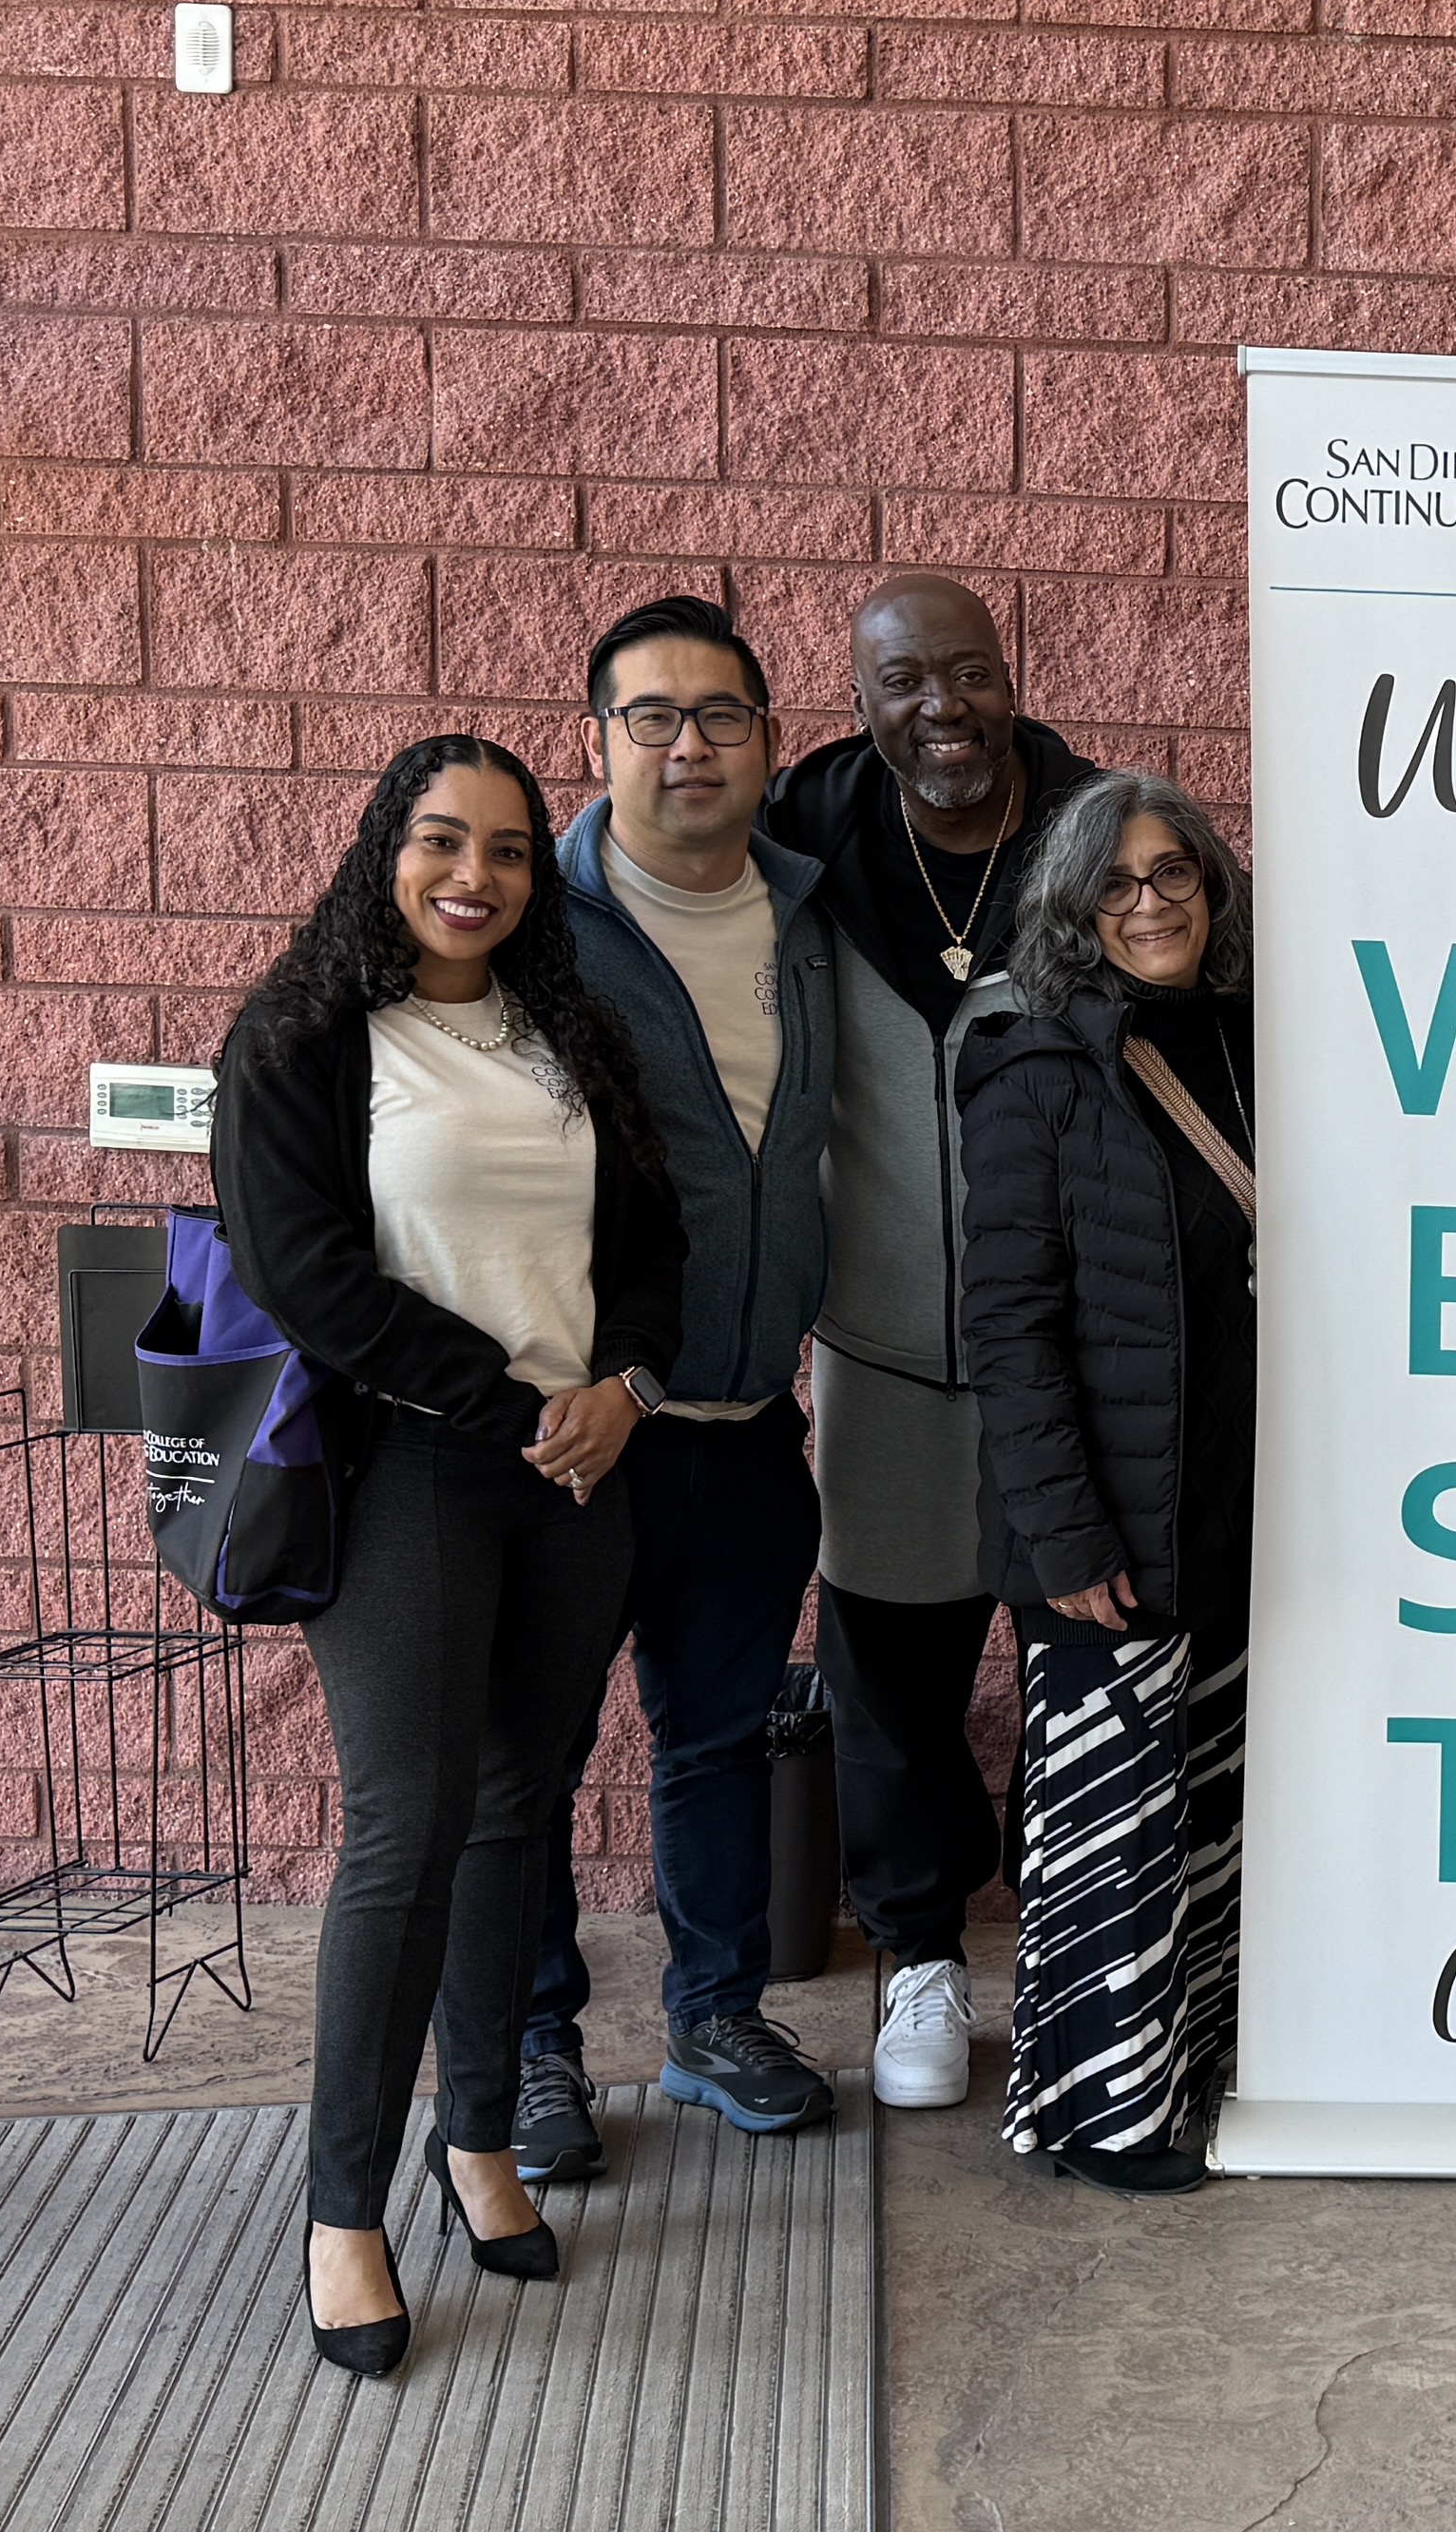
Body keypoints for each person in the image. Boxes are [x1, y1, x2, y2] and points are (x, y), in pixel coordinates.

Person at [212, 738, 680, 2375]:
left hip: (574, 1472)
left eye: (500, 847)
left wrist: (619, 1385)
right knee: (404, 1832)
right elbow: (303, 1274)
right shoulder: (301, 1039)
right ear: (383, 850)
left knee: (515, 1813)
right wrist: (513, 1399)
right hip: (408, 1465)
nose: (470, 874)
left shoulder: (568, 1033)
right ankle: (345, 2211)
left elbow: (652, 1247)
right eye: (438, 841)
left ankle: (476, 2134)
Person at [500, 597, 847, 2175]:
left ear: (772, 744)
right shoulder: (530, 927)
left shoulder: (811, 912)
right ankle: (529, 2046)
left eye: (722, 716)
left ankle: (716, 2015)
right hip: (576, 1432)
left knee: (714, 1737)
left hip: (748, 1427)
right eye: (652, 716)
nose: (689, 743)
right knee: (541, 1749)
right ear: (598, 743)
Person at [765, 574, 1101, 2111]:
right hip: (887, 1353)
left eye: (969, 673)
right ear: (862, 699)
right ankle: (915, 1954)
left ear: (1009, 674)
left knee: (1083, 1665)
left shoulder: (1097, 841)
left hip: (1073, 1355)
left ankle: (1077, 1949)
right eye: (905, 683)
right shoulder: (807, 840)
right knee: (889, 1675)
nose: (944, 710)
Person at [955, 775, 1259, 2192]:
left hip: (1244, 1508)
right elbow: (1005, 1334)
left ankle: (1193, 2075)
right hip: (1107, 1528)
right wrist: (1063, 1532)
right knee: (1107, 1825)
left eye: (1176, 875)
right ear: (1074, 914)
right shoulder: (1038, 1073)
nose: (1152, 905)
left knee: (1207, 1813)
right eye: (1119, 886)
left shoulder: (1265, 1052)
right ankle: (1101, 2114)